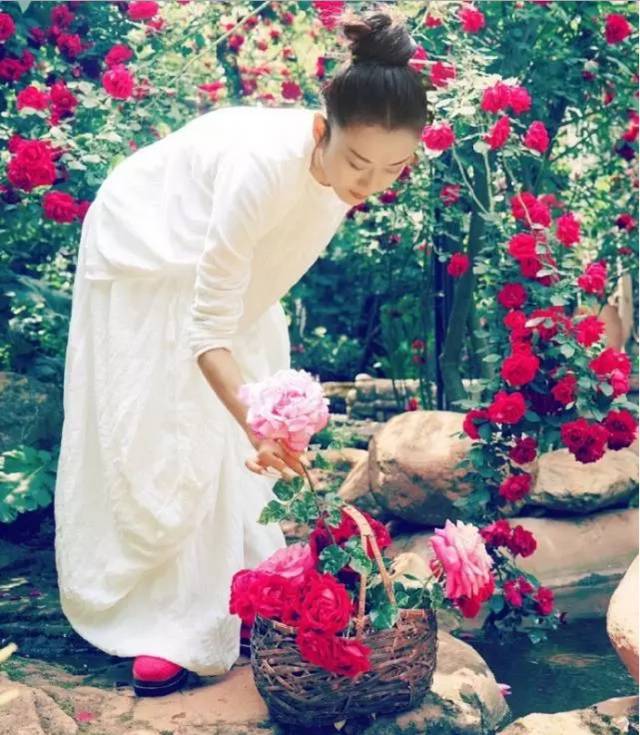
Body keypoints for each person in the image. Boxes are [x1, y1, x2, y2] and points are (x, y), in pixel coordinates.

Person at [54, 5, 428, 697]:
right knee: (171, 426)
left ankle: (238, 596)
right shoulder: (261, 168)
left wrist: (260, 411)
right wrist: (255, 419)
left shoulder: (349, 169)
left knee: (240, 415)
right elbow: (207, 332)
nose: (371, 183)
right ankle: (166, 623)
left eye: (393, 168)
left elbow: (252, 282)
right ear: (320, 130)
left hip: (225, 280)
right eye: (357, 163)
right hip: (149, 254)